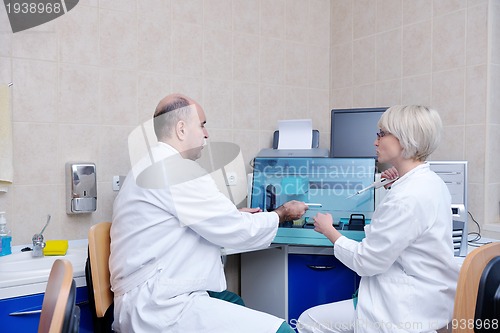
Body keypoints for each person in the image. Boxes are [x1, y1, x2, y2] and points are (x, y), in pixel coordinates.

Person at [109, 93, 308, 332]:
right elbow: (235, 230)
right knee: (282, 330)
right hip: (162, 307)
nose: (206, 133)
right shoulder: (175, 170)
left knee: (235, 302)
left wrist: (233, 215)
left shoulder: (151, 164)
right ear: (181, 129)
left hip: (151, 294)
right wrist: (282, 213)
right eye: (202, 125)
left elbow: (196, 221)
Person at [296, 105, 459, 333]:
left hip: (405, 310)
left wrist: (329, 231)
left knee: (307, 321)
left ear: (404, 139)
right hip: (430, 300)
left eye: (381, 134)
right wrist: (396, 182)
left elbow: (366, 262)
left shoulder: (407, 196)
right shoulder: (430, 182)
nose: (375, 141)